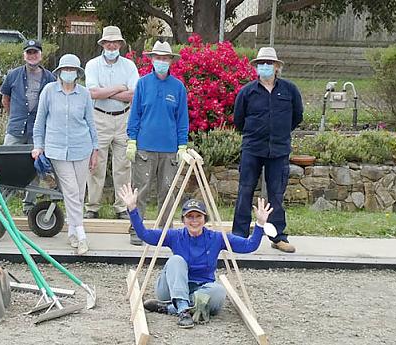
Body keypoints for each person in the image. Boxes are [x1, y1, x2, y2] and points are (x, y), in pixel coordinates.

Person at [119, 184, 275, 328]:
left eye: (198, 216)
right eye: (190, 217)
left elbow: (249, 246)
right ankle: (183, 311)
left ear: (204, 219)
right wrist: (132, 208)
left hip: (201, 289)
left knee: (219, 292)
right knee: (176, 260)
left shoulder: (216, 238)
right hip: (171, 289)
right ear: (183, 220)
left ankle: (170, 308)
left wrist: (260, 224)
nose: (194, 221)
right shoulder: (175, 236)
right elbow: (145, 235)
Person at [232, 47, 303, 253]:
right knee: (245, 191)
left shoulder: (289, 91)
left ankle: (277, 236)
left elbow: (297, 116)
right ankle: (239, 236)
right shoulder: (247, 92)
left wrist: (279, 132)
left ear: (277, 67)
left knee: (276, 194)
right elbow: (239, 120)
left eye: (269, 63)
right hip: (252, 148)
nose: (265, 67)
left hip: (279, 151)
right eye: (261, 64)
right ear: (256, 67)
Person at [32, 54, 99, 255]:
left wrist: (95, 149)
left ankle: (71, 231)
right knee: (70, 190)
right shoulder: (49, 91)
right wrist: (38, 145)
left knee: (79, 192)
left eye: (72, 70)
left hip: (82, 147)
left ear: (77, 74)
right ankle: (81, 234)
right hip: (57, 149)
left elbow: (91, 123)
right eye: (65, 70)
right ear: (59, 72)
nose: (68, 73)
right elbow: (40, 121)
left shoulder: (84, 94)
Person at [126, 41, 189, 246]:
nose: (161, 62)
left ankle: (166, 231)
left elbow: (182, 119)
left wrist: (182, 145)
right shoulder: (143, 84)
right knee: (140, 190)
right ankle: (136, 229)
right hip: (144, 147)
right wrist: (132, 140)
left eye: (165, 58)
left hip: (169, 149)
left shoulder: (178, 87)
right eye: (158, 58)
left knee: (168, 191)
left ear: (171, 61)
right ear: (152, 60)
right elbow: (135, 114)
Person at [83, 25, 140, 225]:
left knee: (123, 165)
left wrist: (106, 91)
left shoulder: (129, 66)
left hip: (124, 118)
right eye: (108, 42)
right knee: (95, 164)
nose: (112, 46)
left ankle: (122, 207)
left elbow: (133, 94)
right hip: (99, 117)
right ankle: (92, 207)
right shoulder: (92, 65)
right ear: (103, 44)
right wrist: (118, 89)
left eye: (116, 42)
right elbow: (92, 93)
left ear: (121, 45)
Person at [0, 39, 56, 214]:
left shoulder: (50, 78)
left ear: (41, 55)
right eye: (29, 53)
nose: (32, 56)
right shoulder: (13, 75)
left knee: (33, 168)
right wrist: (14, 116)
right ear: (24, 55)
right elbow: (5, 98)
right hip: (16, 129)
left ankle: (28, 205)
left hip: (37, 131)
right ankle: (0, 203)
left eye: (35, 52)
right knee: (6, 166)